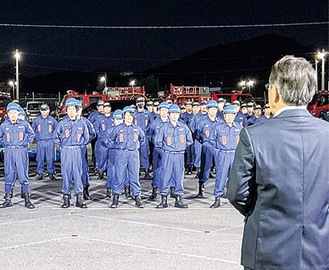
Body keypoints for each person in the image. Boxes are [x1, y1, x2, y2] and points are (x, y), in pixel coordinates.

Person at [227, 55, 329, 269]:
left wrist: (263, 211)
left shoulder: (254, 136)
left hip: (268, 250)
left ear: (275, 92)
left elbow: (237, 193)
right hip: (321, 251)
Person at [53, 98, 90, 209]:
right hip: (66, 151)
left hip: (77, 150)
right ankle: (66, 199)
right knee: (66, 174)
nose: (71, 111)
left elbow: (86, 137)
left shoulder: (82, 123)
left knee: (78, 174)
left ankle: (79, 199)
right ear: (67, 110)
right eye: (69, 109)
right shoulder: (62, 123)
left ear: (76, 110)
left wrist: (79, 145)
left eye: (73, 109)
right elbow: (55, 137)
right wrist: (63, 145)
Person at [154, 104, 193, 208]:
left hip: (179, 154)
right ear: (169, 114)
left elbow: (190, 140)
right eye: (173, 113)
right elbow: (157, 142)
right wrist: (166, 150)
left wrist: (181, 147)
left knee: (179, 176)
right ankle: (164, 199)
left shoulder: (183, 127)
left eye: (176, 113)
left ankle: (179, 199)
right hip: (168, 154)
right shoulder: (164, 127)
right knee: (165, 176)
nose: (175, 115)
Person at [108, 106, 145, 208]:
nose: (129, 117)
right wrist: (117, 147)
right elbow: (110, 139)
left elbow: (142, 140)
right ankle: (116, 198)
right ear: (123, 117)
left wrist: (135, 147)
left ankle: (137, 197)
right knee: (119, 176)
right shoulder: (118, 128)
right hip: (121, 154)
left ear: (133, 117)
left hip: (133, 154)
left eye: (130, 115)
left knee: (134, 176)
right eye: (127, 115)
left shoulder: (137, 129)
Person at [0, 102, 35, 209]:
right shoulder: (4, 125)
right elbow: (0, 137)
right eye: (11, 113)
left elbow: (31, 134)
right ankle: (8, 199)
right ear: (8, 114)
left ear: (18, 113)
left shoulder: (24, 124)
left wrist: (26, 144)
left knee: (23, 174)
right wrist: (5, 145)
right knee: (9, 174)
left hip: (21, 151)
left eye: (15, 113)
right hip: (9, 151)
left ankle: (27, 199)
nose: (13, 115)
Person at [211, 104, 242, 208]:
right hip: (223, 154)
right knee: (221, 177)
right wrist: (218, 153)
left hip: (235, 154)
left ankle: (235, 198)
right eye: (228, 115)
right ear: (224, 116)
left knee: (235, 178)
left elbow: (243, 142)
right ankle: (217, 197)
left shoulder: (239, 127)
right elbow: (212, 141)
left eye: (232, 115)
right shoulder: (218, 127)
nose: (230, 117)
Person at [32, 103, 58, 180]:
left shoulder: (52, 120)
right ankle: (40, 173)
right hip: (40, 142)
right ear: (40, 111)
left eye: (46, 110)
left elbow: (57, 130)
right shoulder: (36, 120)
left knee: (50, 158)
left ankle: (51, 172)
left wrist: (55, 139)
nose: (44, 112)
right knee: (40, 158)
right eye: (43, 110)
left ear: (49, 110)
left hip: (50, 142)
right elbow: (32, 131)